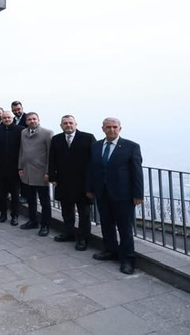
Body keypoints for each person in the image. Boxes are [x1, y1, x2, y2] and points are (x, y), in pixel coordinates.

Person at [86, 117, 143, 275]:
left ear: (120, 129)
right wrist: (89, 188)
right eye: (108, 127)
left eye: (114, 127)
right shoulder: (96, 146)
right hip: (102, 193)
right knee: (106, 224)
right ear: (103, 129)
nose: (111, 129)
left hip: (123, 195)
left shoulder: (131, 146)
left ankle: (127, 259)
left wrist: (138, 194)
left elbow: (137, 172)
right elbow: (91, 169)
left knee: (125, 228)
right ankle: (110, 251)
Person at [48, 115, 96, 251]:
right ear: (61, 125)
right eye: (65, 123)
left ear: (76, 124)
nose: (68, 125)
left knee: (84, 213)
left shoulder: (88, 138)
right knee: (66, 210)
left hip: (82, 183)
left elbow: (94, 161)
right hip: (63, 181)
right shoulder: (56, 139)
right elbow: (52, 159)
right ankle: (68, 233)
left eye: (70, 123)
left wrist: (91, 182)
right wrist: (52, 177)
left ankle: (83, 239)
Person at [18, 112, 54, 236]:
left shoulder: (47, 133)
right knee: (30, 199)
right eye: (29, 119)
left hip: (41, 173)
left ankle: (45, 225)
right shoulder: (23, 132)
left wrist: (48, 172)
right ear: (26, 121)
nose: (32, 121)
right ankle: (32, 221)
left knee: (44, 201)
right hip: (27, 171)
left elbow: (50, 154)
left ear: (39, 120)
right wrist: (20, 167)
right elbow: (21, 151)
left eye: (34, 119)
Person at [0, 111, 24, 226]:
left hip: (15, 169)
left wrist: (21, 166)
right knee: (2, 194)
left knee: (15, 195)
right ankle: (3, 214)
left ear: (12, 118)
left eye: (9, 117)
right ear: (2, 119)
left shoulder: (20, 130)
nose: (6, 119)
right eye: (4, 118)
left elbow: (23, 149)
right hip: (1, 168)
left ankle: (15, 216)